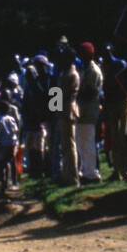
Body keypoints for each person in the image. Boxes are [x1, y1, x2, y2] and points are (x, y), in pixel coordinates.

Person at [101, 43, 127, 180]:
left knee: (124, 135)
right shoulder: (104, 66)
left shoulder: (120, 64)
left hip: (122, 101)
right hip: (111, 103)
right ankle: (117, 170)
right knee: (114, 138)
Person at [76, 42, 104, 183]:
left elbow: (91, 92)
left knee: (88, 142)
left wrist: (76, 94)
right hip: (82, 111)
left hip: (89, 110)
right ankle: (85, 171)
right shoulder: (84, 68)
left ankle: (92, 173)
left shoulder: (93, 70)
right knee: (81, 143)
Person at [55, 44, 80, 187]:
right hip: (62, 110)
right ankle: (66, 174)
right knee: (65, 146)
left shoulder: (71, 74)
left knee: (70, 145)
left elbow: (62, 93)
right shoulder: (64, 73)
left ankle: (73, 177)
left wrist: (55, 105)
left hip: (68, 111)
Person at [0, 100, 20, 192]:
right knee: (12, 161)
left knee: (2, 163)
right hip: (13, 142)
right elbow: (16, 130)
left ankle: (4, 182)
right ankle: (14, 181)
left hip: (4, 143)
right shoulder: (11, 118)